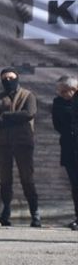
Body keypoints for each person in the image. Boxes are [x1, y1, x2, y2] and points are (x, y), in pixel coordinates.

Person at [0, 67, 40, 227]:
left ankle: (35, 213)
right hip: (2, 144)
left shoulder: (28, 95)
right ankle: (6, 212)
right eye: (4, 78)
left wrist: (5, 116)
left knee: (27, 179)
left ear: (17, 78)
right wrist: (13, 119)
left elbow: (29, 113)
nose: (7, 81)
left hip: (22, 143)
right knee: (5, 180)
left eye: (10, 77)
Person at [51, 75, 78, 231]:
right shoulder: (58, 104)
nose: (63, 94)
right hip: (69, 149)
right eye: (60, 92)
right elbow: (58, 125)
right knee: (75, 185)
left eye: (65, 91)